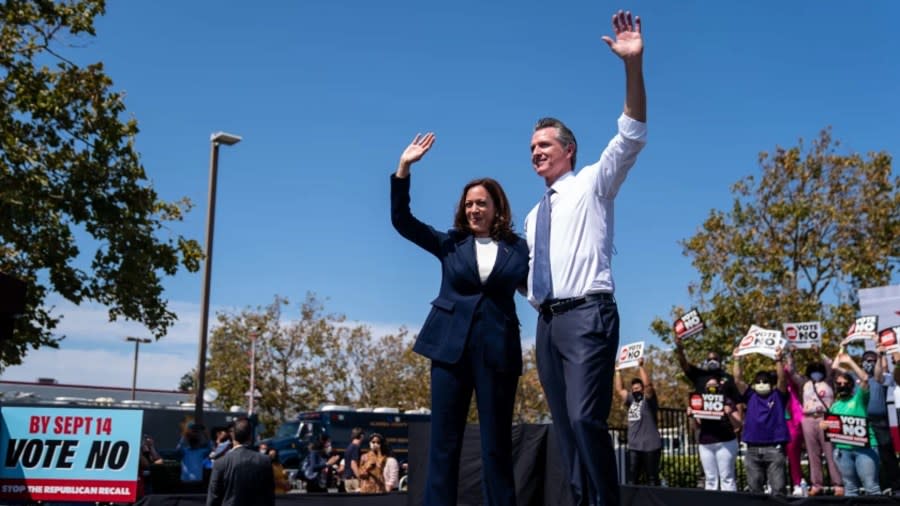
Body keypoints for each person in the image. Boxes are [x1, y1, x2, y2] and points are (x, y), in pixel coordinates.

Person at [524, 10, 646, 506]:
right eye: (531, 147)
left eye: (544, 145)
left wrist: (632, 67)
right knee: (565, 430)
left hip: (588, 315)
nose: (535, 152)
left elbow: (633, 134)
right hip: (546, 326)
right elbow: (527, 274)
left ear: (569, 150)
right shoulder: (534, 215)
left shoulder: (595, 182)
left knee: (584, 418)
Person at [391, 130, 529, 505]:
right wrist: (404, 168)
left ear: (496, 208)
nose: (473, 210)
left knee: (496, 445)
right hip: (449, 351)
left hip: (498, 353)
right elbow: (403, 221)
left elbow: (538, 286)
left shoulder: (518, 249)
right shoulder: (450, 242)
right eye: (468, 204)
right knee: (443, 443)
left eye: (481, 203)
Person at [786, 346, 843, 496]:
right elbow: (791, 371)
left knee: (831, 452)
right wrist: (791, 353)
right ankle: (817, 484)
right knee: (813, 454)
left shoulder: (830, 381)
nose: (815, 373)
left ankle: (838, 484)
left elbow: (832, 365)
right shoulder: (804, 383)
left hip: (826, 418)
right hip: (809, 419)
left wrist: (819, 353)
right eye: (812, 370)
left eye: (818, 370)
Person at [733, 347, 789, 495]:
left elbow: (782, 379)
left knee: (778, 490)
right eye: (758, 381)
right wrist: (737, 359)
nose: (761, 383)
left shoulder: (778, 395)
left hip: (774, 448)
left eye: (765, 381)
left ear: (771, 384)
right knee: (754, 491)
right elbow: (738, 380)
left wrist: (778, 360)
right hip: (752, 449)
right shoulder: (750, 395)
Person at [828, 351, 881, 496]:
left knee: (871, 487)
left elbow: (864, 378)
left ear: (851, 386)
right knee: (850, 488)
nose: (842, 386)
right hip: (842, 451)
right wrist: (825, 426)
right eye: (839, 384)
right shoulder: (834, 406)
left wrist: (849, 361)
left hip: (865, 449)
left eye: (845, 383)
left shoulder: (859, 398)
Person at [613, 357, 661, 486]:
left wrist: (641, 367)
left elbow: (648, 386)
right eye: (633, 389)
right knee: (632, 480)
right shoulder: (631, 400)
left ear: (642, 389)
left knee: (652, 479)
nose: (636, 390)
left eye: (638, 388)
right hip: (635, 447)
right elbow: (620, 390)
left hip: (651, 446)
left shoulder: (649, 400)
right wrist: (618, 371)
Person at [688, 376, 742, 491]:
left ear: (719, 387)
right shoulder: (700, 402)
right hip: (706, 444)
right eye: (709, 386)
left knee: (727, 477)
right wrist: (692, 415)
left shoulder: (727, 401)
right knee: (710, 479)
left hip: (725, 442)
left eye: (715, 386)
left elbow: (738, 425)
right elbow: (695, 426)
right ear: (705, 388)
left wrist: (730, 413)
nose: (712, 389)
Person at [206, 417, 275, 506]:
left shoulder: (220, 463)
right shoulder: (264, 461)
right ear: (250, 436)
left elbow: (213, 497)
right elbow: (269, 496)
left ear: (232, 435)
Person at [860, 347, 900, 494]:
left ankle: (896, 486)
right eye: (866, 361)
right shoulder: (859, 379)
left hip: (881, 421)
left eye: (872, 361)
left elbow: (881, 370)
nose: (869, 363)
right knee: (869, 456)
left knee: (887, 455)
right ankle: (876, 486)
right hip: (864, 422)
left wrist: (881, 353)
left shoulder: (882, 378)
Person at [674, 336, 742, 404]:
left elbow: (737, 401)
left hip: (721, 413)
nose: (712, 361)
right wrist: (679, 349)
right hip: (701, 413)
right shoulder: (699, 375)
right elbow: (684, 364)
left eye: (715, 359)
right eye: (709, 360)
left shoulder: (728, 378)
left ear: (720, 360)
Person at [175, 422, 212, 491]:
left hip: (191, 481)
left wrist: (185, 435)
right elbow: (210, 447)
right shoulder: (185, 451)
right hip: (190, 481)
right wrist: (206, 435)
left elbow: (178, 449)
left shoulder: (199, 452)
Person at [342, 427, 364, 493]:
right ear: (361, 436)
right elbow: (353, 464)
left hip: (347, 479)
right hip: (354, 480)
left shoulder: (349, 447)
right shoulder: (356, 447)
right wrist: (359, 478)